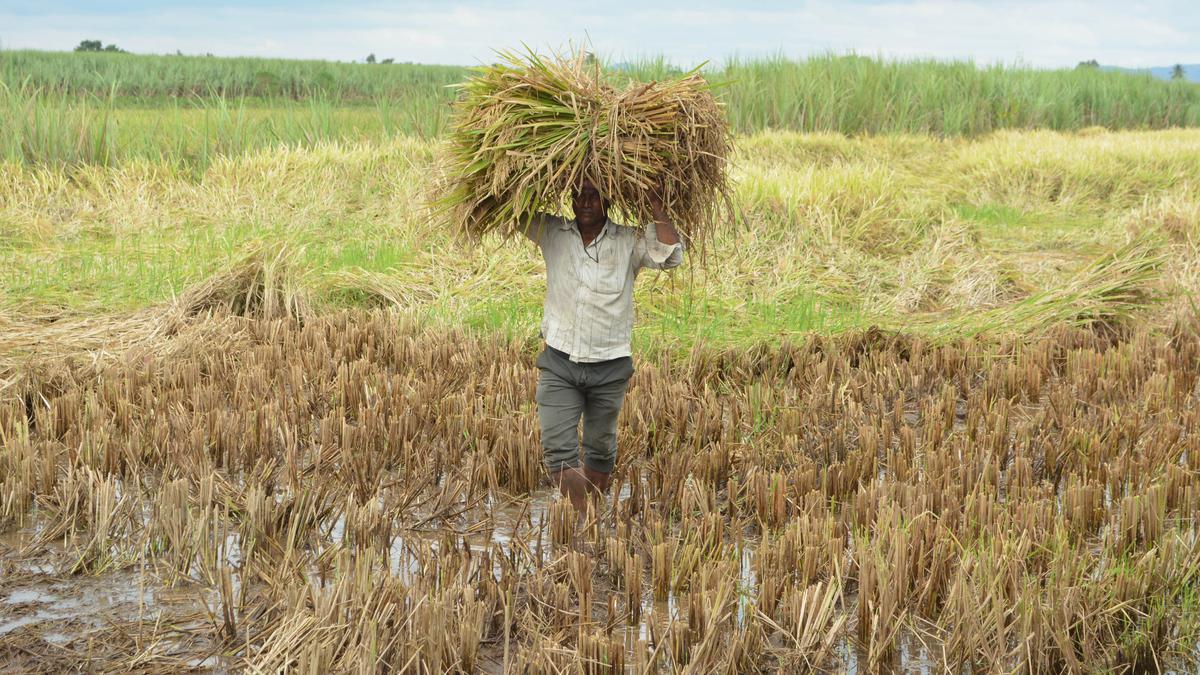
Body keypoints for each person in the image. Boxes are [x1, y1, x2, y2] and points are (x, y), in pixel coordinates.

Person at [520, 177, 684, 516]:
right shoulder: (553, 233)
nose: (586, 203)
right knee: (558, 455)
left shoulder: (629, 240)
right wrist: (529, 176)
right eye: (579, 195)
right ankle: (587, 520)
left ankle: (591, 514)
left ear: (608, 201)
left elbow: (670, 257)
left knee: (600, 453)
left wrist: (655, 201)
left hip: (609, 365)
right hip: (559, 361)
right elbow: (510, 212)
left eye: (594, 196)